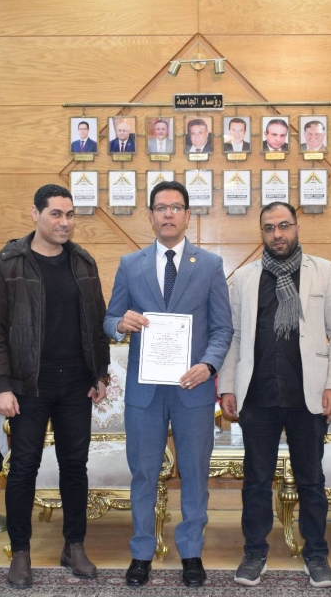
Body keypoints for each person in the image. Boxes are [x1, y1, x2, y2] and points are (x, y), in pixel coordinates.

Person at [0, 184, 111, 589]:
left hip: (76, 386)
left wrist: (100, 374)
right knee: (23, 468)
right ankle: (20, 552)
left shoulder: (83, 262)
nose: (64, 222)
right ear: (35, 214)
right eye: (56, 213)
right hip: (26, 386)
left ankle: (74, 546)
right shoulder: (7, 263)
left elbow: (97, 322)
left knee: (74, 466)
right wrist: (1, 385)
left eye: (69, 215)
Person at [104, 180, 232, 588]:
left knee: (194, 472)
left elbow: (223, 329)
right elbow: (109, 319)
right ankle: (141, 552)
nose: (168, 214)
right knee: (143, 473)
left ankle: (191, 552)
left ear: (188, 215)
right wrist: (120, 324)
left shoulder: (209, 265)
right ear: (151, 216)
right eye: (161, 208)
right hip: (144, 393)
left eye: (176, 207)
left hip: (193, 389)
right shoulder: (131, 264)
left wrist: (208, 365)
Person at [219, 202, 331, 589]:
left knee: (311, 480)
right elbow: (233, 336)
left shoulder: (323, 271)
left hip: (308, 395)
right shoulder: (244, 278)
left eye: (284, 226)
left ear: (296, 227)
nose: (277, 234)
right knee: (256, 480)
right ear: (261, 232)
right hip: (257, 396)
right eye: (269, 228)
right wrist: (227, 386)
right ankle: (254, 552)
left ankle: (317, 554)